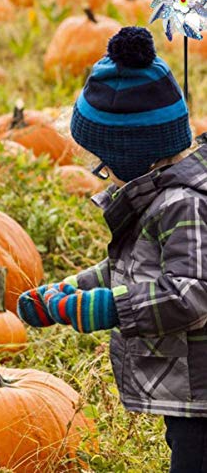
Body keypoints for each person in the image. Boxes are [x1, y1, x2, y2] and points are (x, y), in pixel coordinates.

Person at [17, 27, 207, 472]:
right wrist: (66, 293)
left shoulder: (183, 205)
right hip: (192, 383)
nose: (101, 175)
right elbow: (130, 268)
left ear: (132, 161)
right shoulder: (159, 194)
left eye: (102, 166)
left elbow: (192, 294)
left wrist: (108, 308)